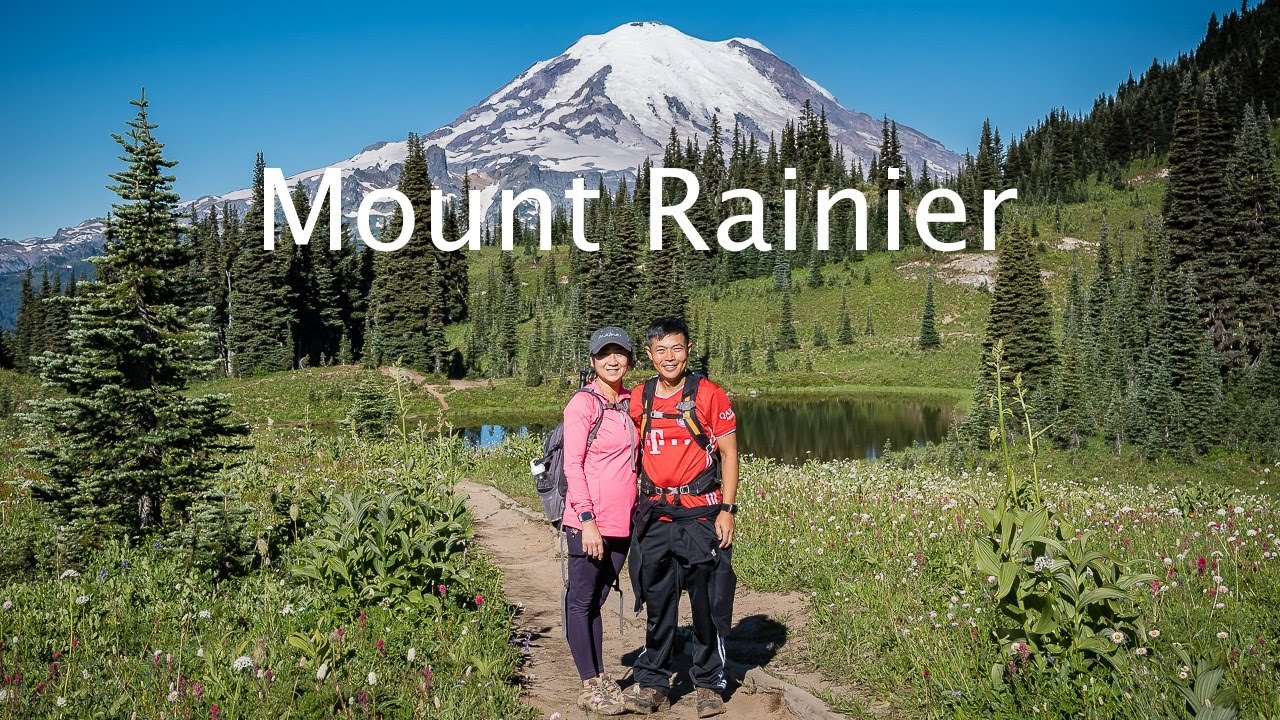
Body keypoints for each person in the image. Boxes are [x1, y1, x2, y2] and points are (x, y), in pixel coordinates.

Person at [624, 317, 739, 718]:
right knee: (658, 603)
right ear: (650, 354)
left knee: (707, 604)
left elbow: (729, 454)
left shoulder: (710, 396)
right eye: (660, 350)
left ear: (688, 350)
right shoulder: (641, 397)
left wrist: (727, 509)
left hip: (701, 516)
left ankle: (709, 683)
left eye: (676, 348)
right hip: (655, 516)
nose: (669, 357)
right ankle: (653, 680)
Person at [561, 326, 639, 716]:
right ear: (592, 361)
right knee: (580, 601)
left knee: (597, 600)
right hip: (587, 522)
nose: (613, 360)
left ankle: (600, 676)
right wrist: (587, 519)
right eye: (604, 353)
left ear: (629, 358)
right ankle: (588, 684)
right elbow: (573, 466)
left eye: (619, 353)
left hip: (621, 524)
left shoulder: (629, 402)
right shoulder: (582, 404)